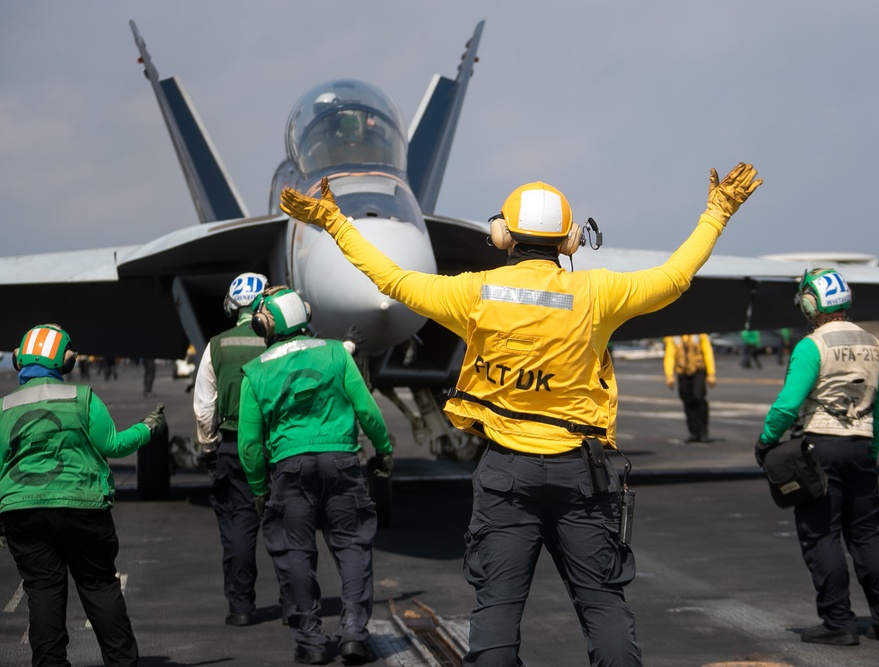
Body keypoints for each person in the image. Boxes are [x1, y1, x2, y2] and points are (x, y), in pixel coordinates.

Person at [280, 163, 762, 665]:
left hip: (506, 474)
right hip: (584, 475)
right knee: (603, 606)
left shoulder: (474, 293)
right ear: (570, 240)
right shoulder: (598, 293)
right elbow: (676, 275)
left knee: (497, 611)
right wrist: (718, 211)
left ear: (503, 235)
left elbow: (391, 280)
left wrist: (335, 222)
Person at [0, 323, 167, 667]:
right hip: (82, 507)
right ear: (65, 362)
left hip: (22, 512)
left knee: (42, 592)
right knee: (99, 586)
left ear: (19, 360)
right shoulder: (82, 398)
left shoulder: (2, 409)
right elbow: (113, 445)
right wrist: (147, 428)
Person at [238, 286, 393, 665]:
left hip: (289, 469)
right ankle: (354, 633)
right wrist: (384, 451)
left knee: (294, 553)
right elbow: (368, 411)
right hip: (341, 461)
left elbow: (249, 445)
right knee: (353, 545)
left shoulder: (256, 372)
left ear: (264, 325)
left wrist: (260, 490)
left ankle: (310, 640)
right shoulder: (337, 354)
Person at [754, 268, 879, 647]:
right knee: (869, 534)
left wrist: (766, 440)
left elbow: (788, 405)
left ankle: (838, 622)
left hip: (819, 446)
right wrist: (871, 448)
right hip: (861, 446)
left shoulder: (812, 346)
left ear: (811, 303)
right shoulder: (876, 345)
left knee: (822, 535)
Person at [192, 272, 270, 627]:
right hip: (279, 447)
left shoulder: (216, 345)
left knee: (239, 527)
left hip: (234, 446)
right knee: (290, 526)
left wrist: (208, 448)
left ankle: (241, 606)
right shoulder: (279, 341)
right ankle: (298, 606)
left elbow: (205, 407)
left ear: (231, 303)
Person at [663, 333, 716, 443]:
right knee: (688, 401)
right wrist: (669, 375)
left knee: (698, 398)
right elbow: (670, 356)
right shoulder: (674, 337)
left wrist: (711, 374)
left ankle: (703, 432)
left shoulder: (700, 335)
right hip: (683, 373)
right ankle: (693, 432)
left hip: (698, 371)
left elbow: (708, 353)